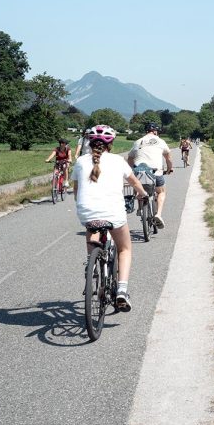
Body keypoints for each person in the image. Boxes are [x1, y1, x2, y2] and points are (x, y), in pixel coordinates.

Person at [71, 125, 149, 312]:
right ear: (111, 143)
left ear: (89, 143)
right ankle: (122, 291)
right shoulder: (117, 160)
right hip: (113, 212)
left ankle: (93, 266)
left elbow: (76, 190)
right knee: (124, 249)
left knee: (93, 231)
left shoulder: (81, 161)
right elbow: (135, 182)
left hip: (87, 212)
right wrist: (143, 194)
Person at [129, 122, 174, 229]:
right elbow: (168, 158)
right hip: (155, 172)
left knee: (139, 188)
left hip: (139, 172)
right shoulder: (160, 141)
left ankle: (140, 208)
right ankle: (158, 214)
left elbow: (130, 158)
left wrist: (132, 169)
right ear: (155, 131)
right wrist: (169, 169)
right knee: (161, 192)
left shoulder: (138, 141)